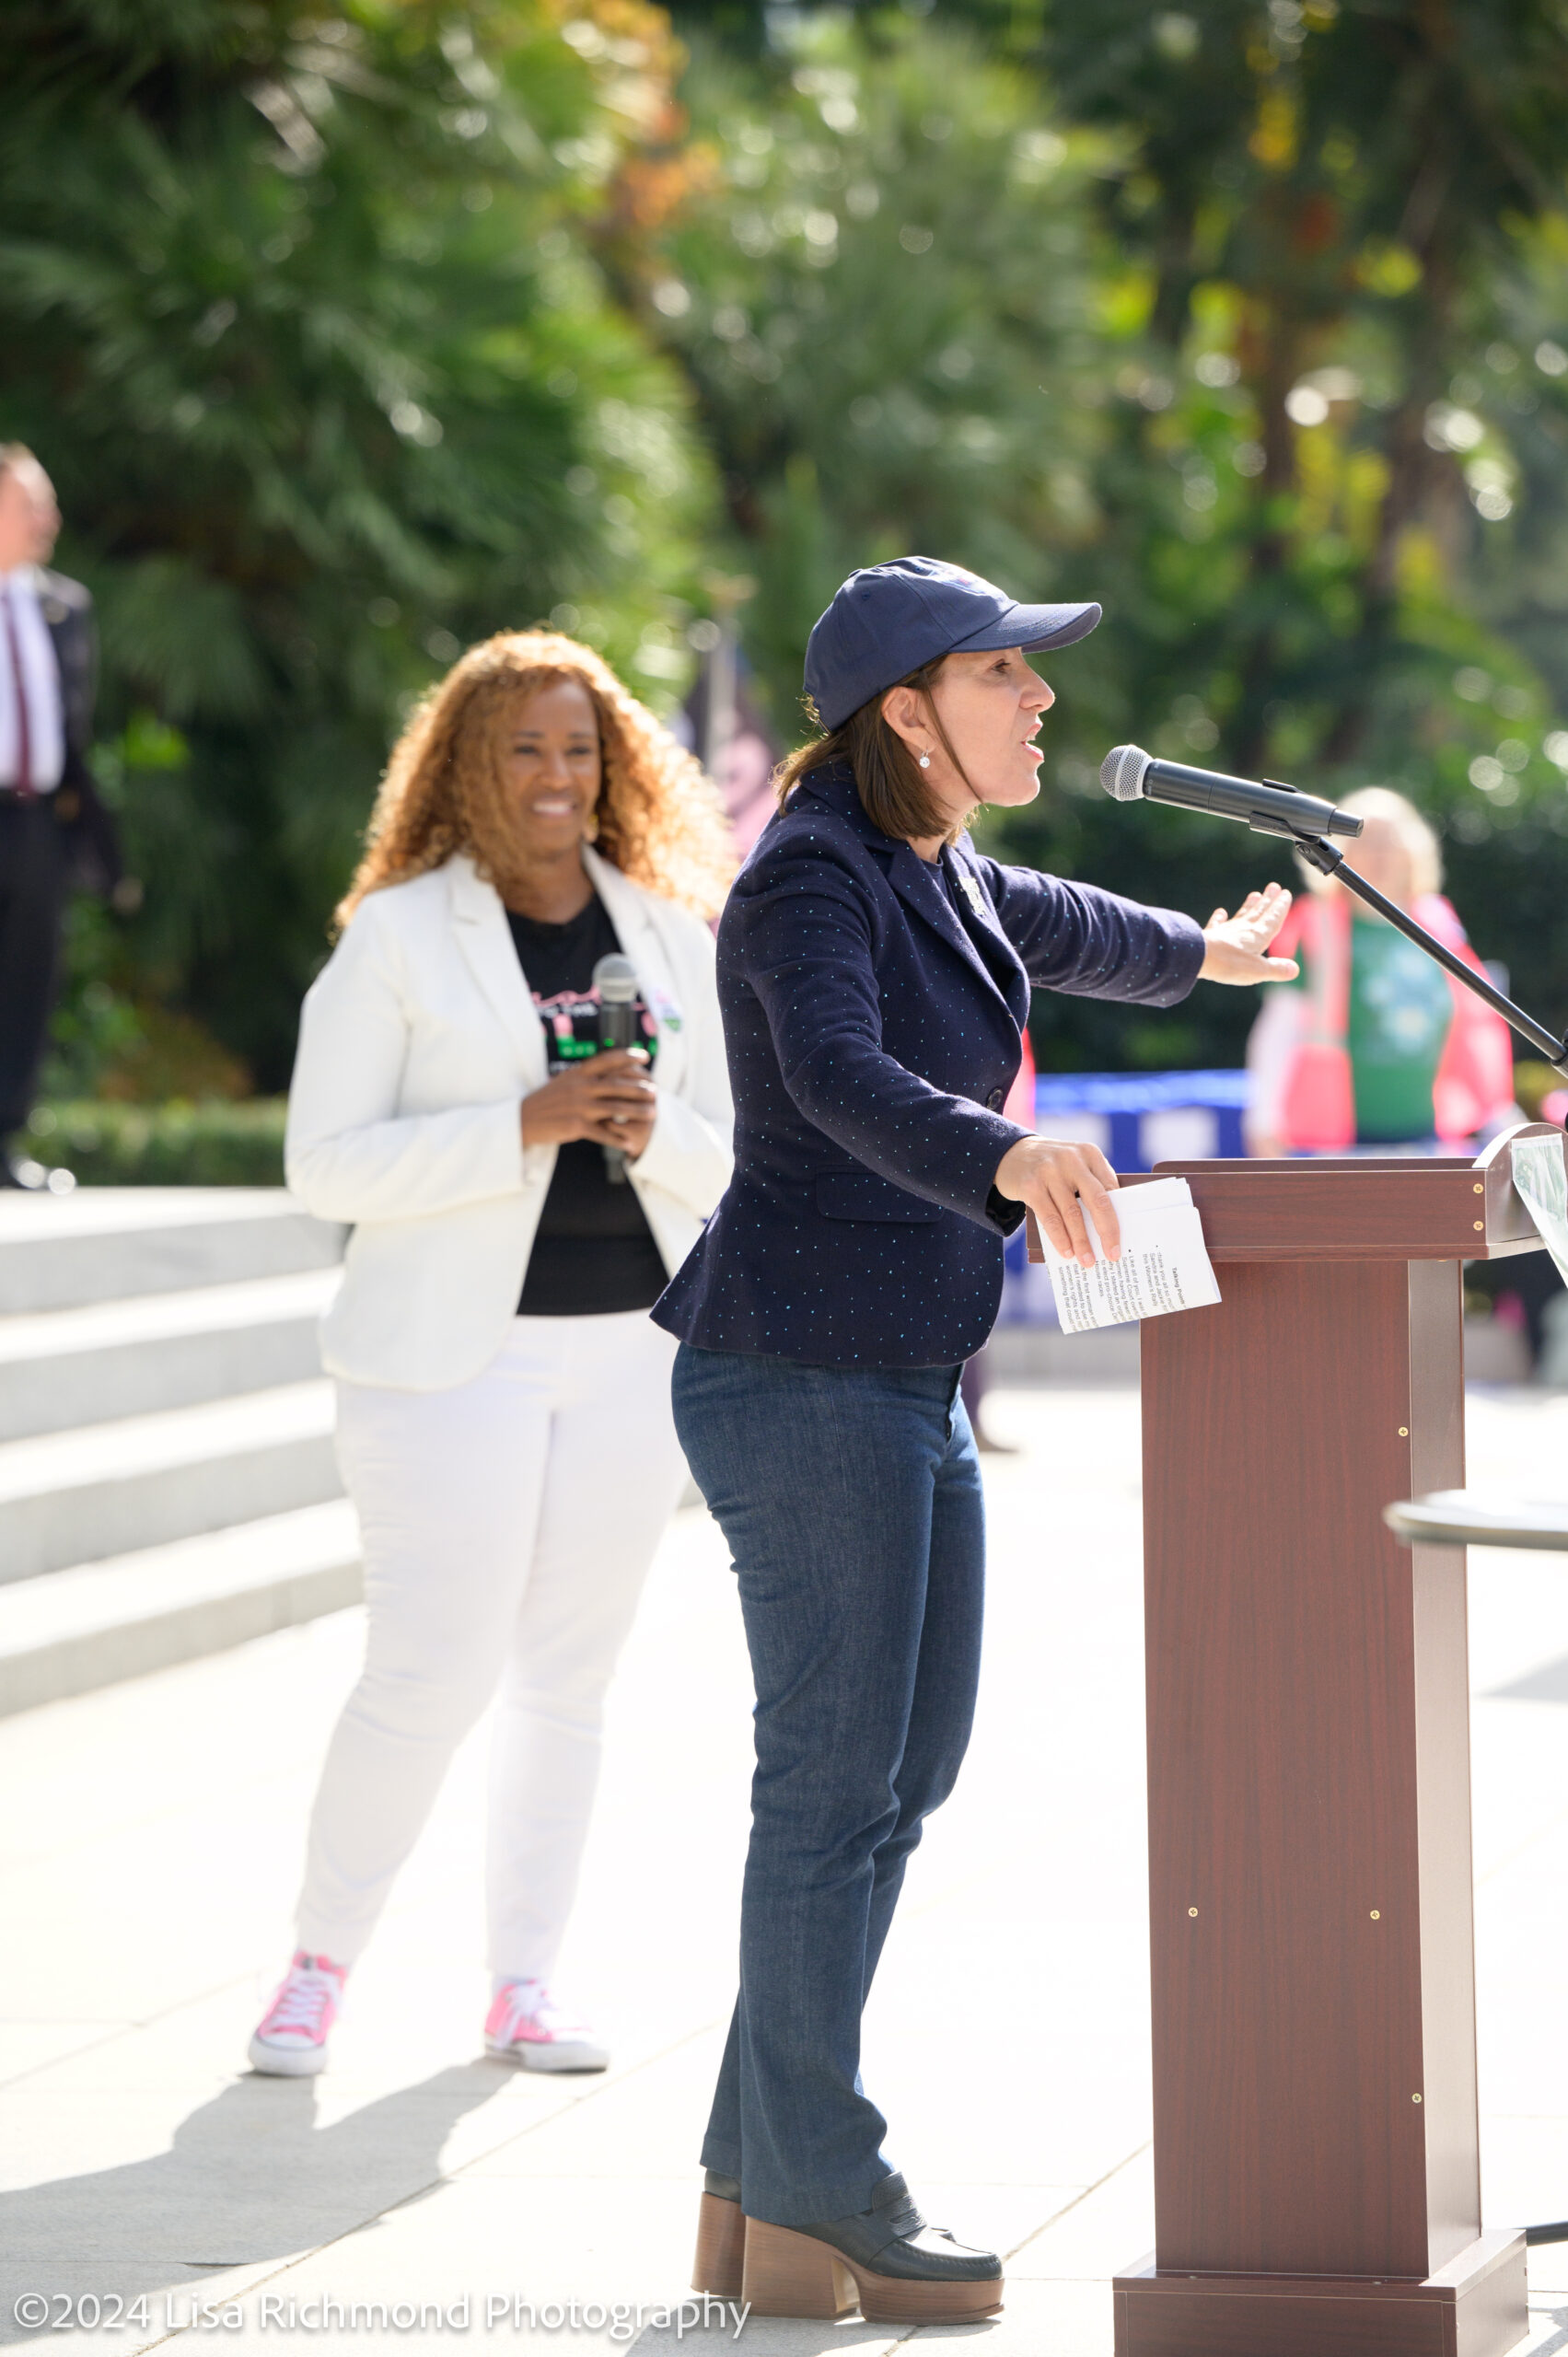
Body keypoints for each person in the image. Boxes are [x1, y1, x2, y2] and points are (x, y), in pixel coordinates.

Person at [655, 556, 1296, 2326]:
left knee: (892, 1790)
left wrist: (1210, 952)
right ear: (904, 714)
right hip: (792, 1378)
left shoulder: (939, 868)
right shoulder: (805, 880)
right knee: (830, 1797)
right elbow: (843, 1074)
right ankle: (827, 2183)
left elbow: (1076, 925)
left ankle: (748, 2187)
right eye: (1005, 675)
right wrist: (1002, 1155)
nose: (1041, 701)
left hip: (895, 1378)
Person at [250, 631, 734, 2079]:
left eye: (578, 748)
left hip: (627, 1356)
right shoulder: (396, 936)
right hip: (445, 1364)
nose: (554, 775)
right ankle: (316, 1968)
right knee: (430, 1669)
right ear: (467, 762)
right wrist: (519, 1123)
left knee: (566, 1678)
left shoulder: (664, 931)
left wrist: (657, 1130)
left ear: (612, 766)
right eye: (523, 747)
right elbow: (322, 1165)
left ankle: (524, 1984)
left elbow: (736, 1160)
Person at [1245, 785, 1515, 1157]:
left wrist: (1499, 1110)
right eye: (1366, 841)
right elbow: (1280, 1026)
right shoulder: (1318, 926)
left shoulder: (1439, 923)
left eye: (1390, 841)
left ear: (1413, 853)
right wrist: (1264, 1118)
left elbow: (1476, 1021)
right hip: (1337, 1143)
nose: (1380, 854)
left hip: (1431, 1136)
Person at [0, 445, 125, 1186]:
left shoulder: (63, 605)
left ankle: (6, 1142)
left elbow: (73, 730)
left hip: (40, 819)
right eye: (29, 504)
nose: (48, 519)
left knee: (27, 978)